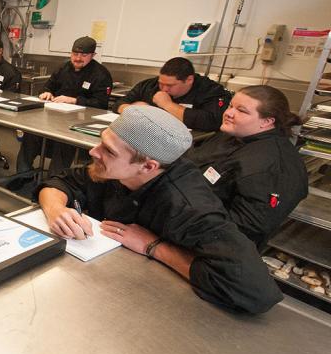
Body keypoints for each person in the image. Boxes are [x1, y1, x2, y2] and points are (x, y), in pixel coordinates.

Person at [36, 105, 282, 314]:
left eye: (108, 150)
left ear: (148, 166)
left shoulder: (189, 207)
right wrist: (56, 208)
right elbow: (64, 180)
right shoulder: (118, 169)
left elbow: (255, 291)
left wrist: (153, 247)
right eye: (101, 142)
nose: (93, 152)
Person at [184, 85, 308, 250]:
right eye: (230, 106)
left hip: (207, 246)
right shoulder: (233, 134)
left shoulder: (273, 166)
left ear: (267, 121)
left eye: (241, 111)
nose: (228, 113)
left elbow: (245, 228)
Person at [9, 36, 112, 190]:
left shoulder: (101, 74)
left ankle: (52, 185)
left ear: (93, 55)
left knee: (63, 145)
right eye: (75, 54)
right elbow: (47, 86)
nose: (77, 58)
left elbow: (101, 104)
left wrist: (75, 100)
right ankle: (23, 175)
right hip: (53, 117)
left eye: (83, 55)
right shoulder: (63, 68)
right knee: (31, 136)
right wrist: (46, 93)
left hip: (79, 123)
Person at [115, 57, 231, 131]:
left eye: (170, 85)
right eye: (161, 83)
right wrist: (135, 110)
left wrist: (167, 105)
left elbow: (212, 121)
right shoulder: (150, 85)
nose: (164, 89)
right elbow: (119, 104)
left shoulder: (210, 90)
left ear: (189, 80)